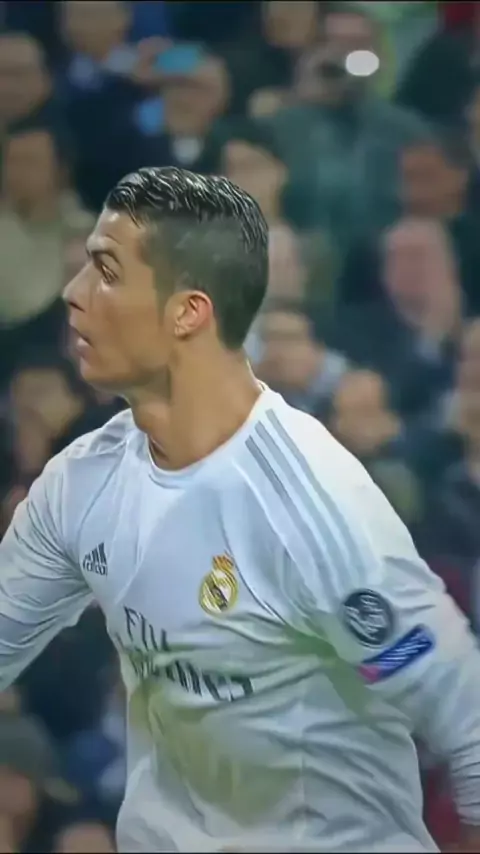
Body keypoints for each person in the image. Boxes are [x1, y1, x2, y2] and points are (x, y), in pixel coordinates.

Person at [1, 166, 480, 853]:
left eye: (105, 272)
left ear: (187, 312)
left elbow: (462, 714)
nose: (73, 294)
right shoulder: (81, 484)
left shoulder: (311, 504)